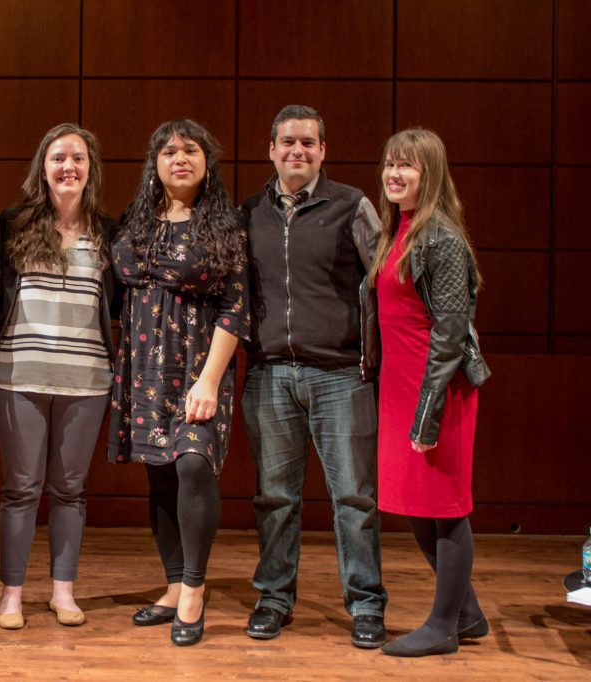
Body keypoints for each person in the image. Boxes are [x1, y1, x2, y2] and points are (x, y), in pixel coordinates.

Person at [240, 104, 388, 648]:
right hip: (270, 374)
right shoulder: (249, 210)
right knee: (275, 498)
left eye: (307, 143)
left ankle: (366, 605)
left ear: (323, 150)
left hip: (341, 375)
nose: (296, 151)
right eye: (287, 142)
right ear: (271, 150)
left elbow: (388, 280)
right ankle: (274, 597)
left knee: (353, 498)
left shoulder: (353, 205)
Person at [109, 119, 250, 646]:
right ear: (156, 163)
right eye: (168, 151)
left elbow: (235, 310)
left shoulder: (226, 227)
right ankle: (172, 584)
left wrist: (210, 381)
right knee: (160, 475)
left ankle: (194, 588)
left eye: (190, 150)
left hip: (197, 366)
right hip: (144, 366)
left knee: (192, 464)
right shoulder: (135, 222)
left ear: (206, 161)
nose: (179, 159)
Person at [0, 123, 117, 629]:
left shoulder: (108, 230)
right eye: (58, 157)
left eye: (78, 158)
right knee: (20, 488)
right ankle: (11, 595)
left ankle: (63, 592)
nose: (69, 167)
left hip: (87, 380)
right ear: (42, 167)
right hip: (17, 376)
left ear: (91, 169)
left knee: (70, 490)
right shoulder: (12, 223)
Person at [371, 128, 491, 657]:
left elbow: (448, 336)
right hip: (400, 386)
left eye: (408, 167)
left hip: (438, 388)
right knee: (415, 506)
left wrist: (429, 411)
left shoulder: (441, 238)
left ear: (430, 174)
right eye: (390, 164)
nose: (395, 174)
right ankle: (467, 614)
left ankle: (444, 627)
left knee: (445, 506)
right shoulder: (398, 229)